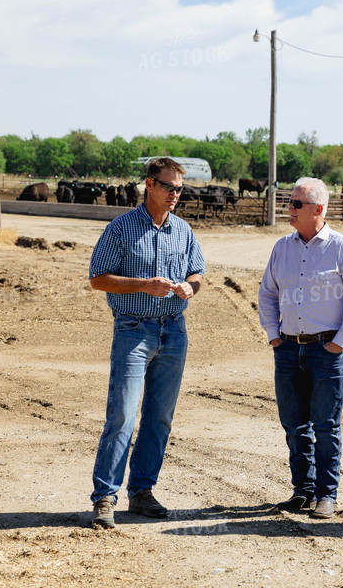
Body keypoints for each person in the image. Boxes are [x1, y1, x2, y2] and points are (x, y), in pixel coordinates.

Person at [87, 157, 206, 528]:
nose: (175, 194)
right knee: (122, 414)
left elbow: (197, 271)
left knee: (159, 417)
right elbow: (98, 278)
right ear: (149, 185)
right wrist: (142, 284)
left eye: (179, 189)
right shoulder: (121, 229)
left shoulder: (183, 231)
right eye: (169, 187)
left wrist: (191, 286)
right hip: (133, 329)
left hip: (174, 331)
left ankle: (141, 492)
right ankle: (106, 496)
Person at [258, 177, 343, 519]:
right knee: (294, 425)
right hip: (288, 349)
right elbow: (267, 293)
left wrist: (339, 343)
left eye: (295, 204)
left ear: (318, 210)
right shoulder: (282, 248)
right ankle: (302, 491)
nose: (288, 209)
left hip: (326, 350)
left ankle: (326, 495)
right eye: (289, 202)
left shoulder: (342, 248)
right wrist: (274, 336)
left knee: (326, 426)